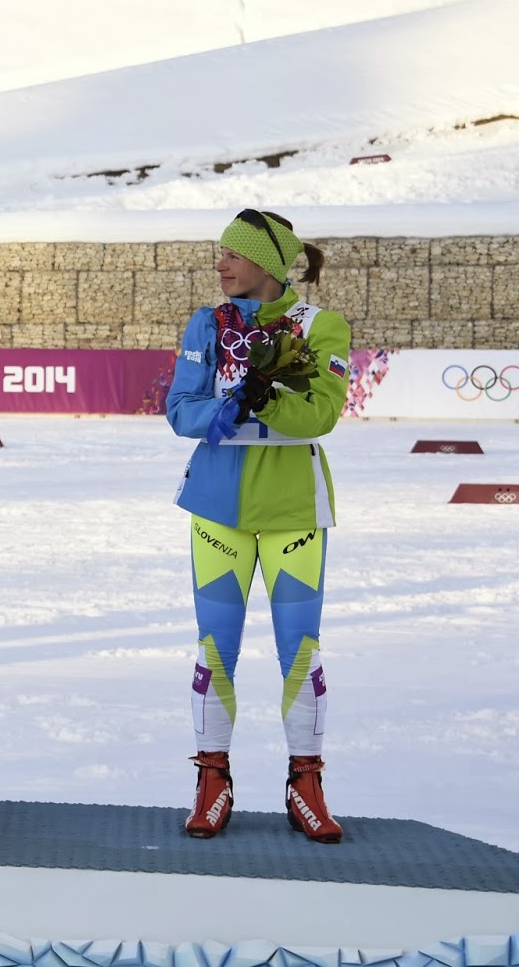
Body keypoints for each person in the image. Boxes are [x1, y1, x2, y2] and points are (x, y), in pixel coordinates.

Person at [165, 209, 351, 843]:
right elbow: (180, 411)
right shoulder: (205, 324)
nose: (220, 265)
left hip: (295, 509)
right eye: (219, 253)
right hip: (217, 505)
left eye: (232, 255)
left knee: (300, 651)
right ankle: (211, 777)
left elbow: (321, 414)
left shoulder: (320, 327)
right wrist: (226, 404)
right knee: (215, 648)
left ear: (268, 265)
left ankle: (307, 782)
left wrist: (264, 392)